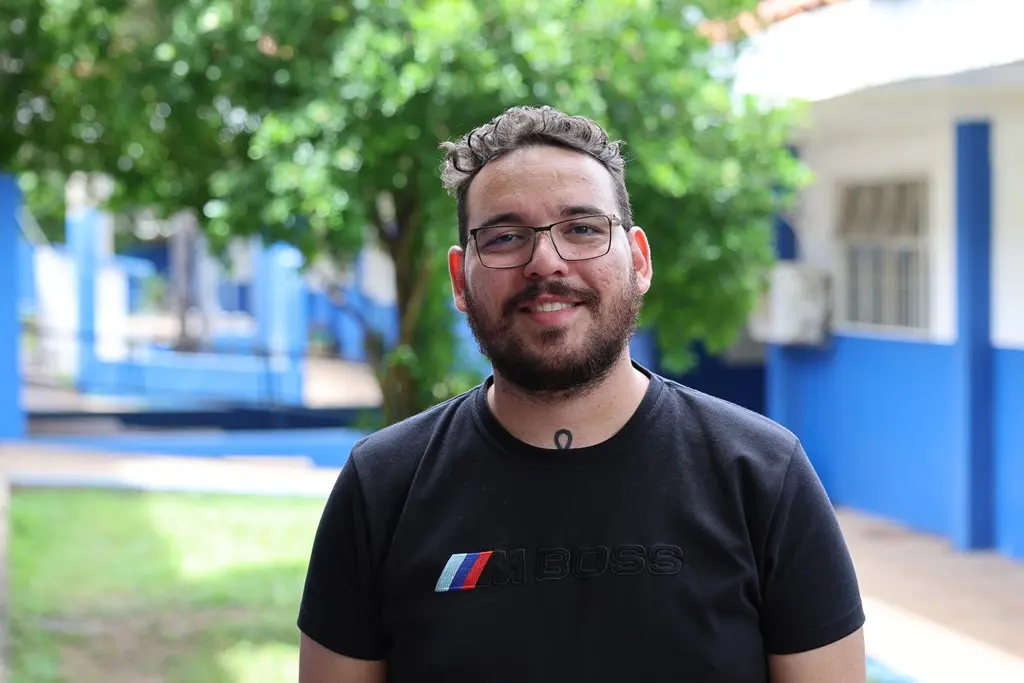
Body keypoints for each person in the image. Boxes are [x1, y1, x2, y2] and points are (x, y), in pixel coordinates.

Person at [297, 105, 867, 683]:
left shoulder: (763, 476)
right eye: (505, 237)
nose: (545, 262)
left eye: (583, 229)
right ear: (460, 279)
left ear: (639, 261)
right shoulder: (382, 487)